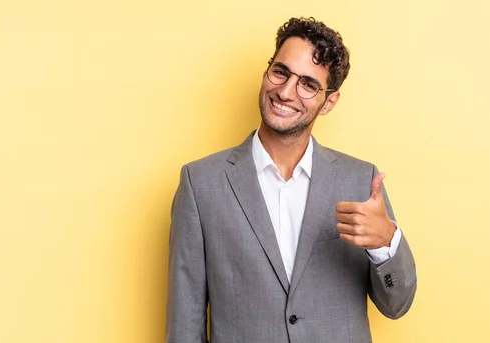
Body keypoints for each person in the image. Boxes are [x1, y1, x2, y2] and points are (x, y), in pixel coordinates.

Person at [166, 17, 417, 343]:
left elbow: (396, 305)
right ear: (267, 71)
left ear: (329, 101)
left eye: (308, 84)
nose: (285, 92)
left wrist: (386, 243)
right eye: (281, 72)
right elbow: (185, 322)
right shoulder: (200, 184)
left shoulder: (360, 181)